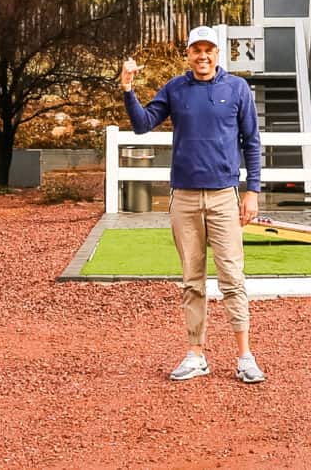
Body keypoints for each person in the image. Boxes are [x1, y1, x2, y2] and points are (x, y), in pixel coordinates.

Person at [122, 25, 264, 383]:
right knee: (192, 280)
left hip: (223, 196)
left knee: (232, 277)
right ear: (187, 54)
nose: (203, 56)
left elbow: (252, 142)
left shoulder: (236, 89)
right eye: (196, 50)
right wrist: (128, 88)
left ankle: (245, 356)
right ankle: (196, 354)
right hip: (184, 196)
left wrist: (253, 191)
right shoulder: (176, 88)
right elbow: (142, 125)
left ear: (219, 54)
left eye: (209, 50)